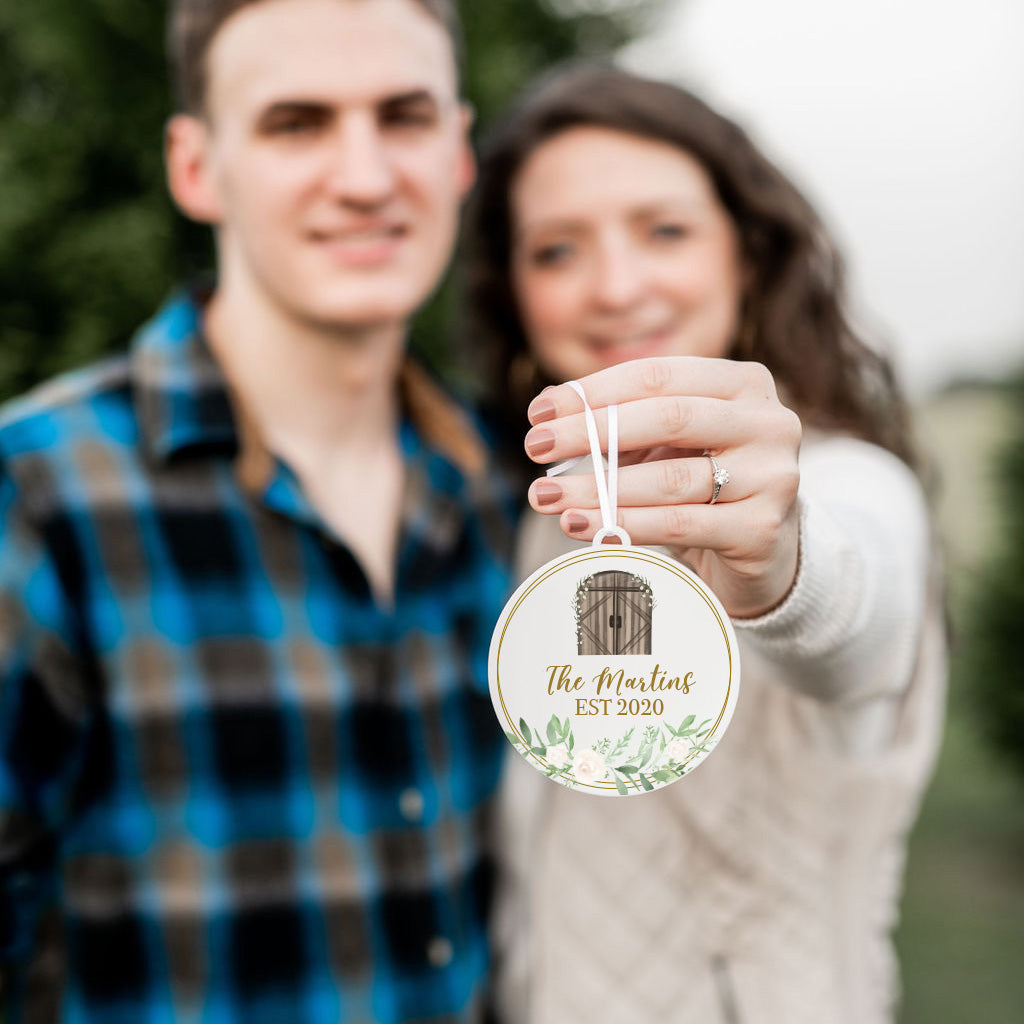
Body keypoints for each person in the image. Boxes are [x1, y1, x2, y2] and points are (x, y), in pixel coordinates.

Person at [0, 1, 515, 1021]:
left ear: (458, 152)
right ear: (196, 168)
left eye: (403, 117)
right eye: (297, 124)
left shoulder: (506, 484)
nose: (365, 178)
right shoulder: (40, 496)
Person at [463, 64, 947, 1024]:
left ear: (749, 255)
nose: (615, 286)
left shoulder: (846, 484)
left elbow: (854, 610)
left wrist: (778, 560)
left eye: (665, 230)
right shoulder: (542, 511)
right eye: (557, 250)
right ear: (514, 293)